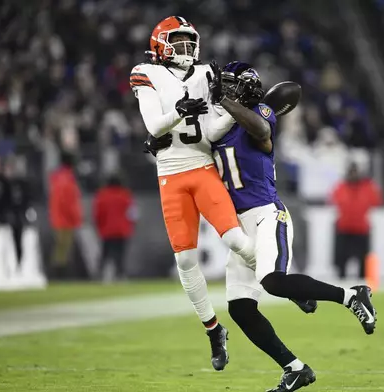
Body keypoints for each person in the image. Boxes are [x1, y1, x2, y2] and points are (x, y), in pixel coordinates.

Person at [151, 61, 378, 392]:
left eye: (227, 86)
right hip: (236, 225)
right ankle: (294, 368)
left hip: (266, 213)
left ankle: (351, 295)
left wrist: (228, 101)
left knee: (273, 281)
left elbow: (262, 131)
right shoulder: (214, 126)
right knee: (241, 308)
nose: (219, 91)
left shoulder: (259, 114)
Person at [131, 16, 259, 371]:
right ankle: (214, 331)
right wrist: (179, 110)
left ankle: (283, 282)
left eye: (190, 41)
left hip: (202, 167)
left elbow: (213, 131)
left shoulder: (206, 75)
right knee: (185, 261)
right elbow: (154, 125)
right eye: (179, 41)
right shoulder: (146, 73)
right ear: (160, 43)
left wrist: (234, 110)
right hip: (170, 174)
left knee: (236, 240)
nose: (186, 48)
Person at [330, 162, 384, 278]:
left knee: (363, 259)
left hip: (361, 228)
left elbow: (376, 201)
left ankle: (362, 281)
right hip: (344, 227)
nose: (353, 175)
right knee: (341, 258)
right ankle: (341, 279)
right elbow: (333, 200)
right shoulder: (341, 187)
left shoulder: (367, 187)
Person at [93, 174, 135, 281]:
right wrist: (131, 226)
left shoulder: (102, 195)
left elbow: (98, 214)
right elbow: (132, 214)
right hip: (122, 230)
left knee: (105, 254)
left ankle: (99, 275)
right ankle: (120, 275)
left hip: (107, 230)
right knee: (120, 255)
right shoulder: (125, 195)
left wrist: (99, 227)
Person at [48, 152, 83, 279]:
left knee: (60, 248)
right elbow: (69, 202)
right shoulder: (67, 179)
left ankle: (57, 275)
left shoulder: (58, 178)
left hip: (58, 218)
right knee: (63, 249)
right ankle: (59, 276)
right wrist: (76, 218)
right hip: (65, 220)